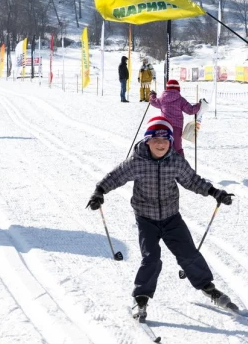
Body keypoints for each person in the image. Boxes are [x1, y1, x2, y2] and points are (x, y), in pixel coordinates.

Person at [86, 116, 235, 322]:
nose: (160, 144)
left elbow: (192, 180)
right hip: (146, 218)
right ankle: (141, 297)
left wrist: (214, 192)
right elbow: (116, 176)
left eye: (165, 140)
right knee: (151, 258)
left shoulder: (175, 161)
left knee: (188, 253)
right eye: (155, 139)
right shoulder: (137, 162)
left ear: (170, 142)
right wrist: (99, 191)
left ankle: (207, 287)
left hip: (171, 216)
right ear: (147, 140)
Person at [148, 80, 203, 157]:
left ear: (167, 88)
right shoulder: (180, 100)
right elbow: (191, 110)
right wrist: (199, 105)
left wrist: (152, 95)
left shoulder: (162, 99)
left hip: (165, 126)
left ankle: (165, 162)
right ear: (178, 89)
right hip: (177, 127)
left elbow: (153, 102)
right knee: (177, 147)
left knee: (166, 146)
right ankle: (181, 164)